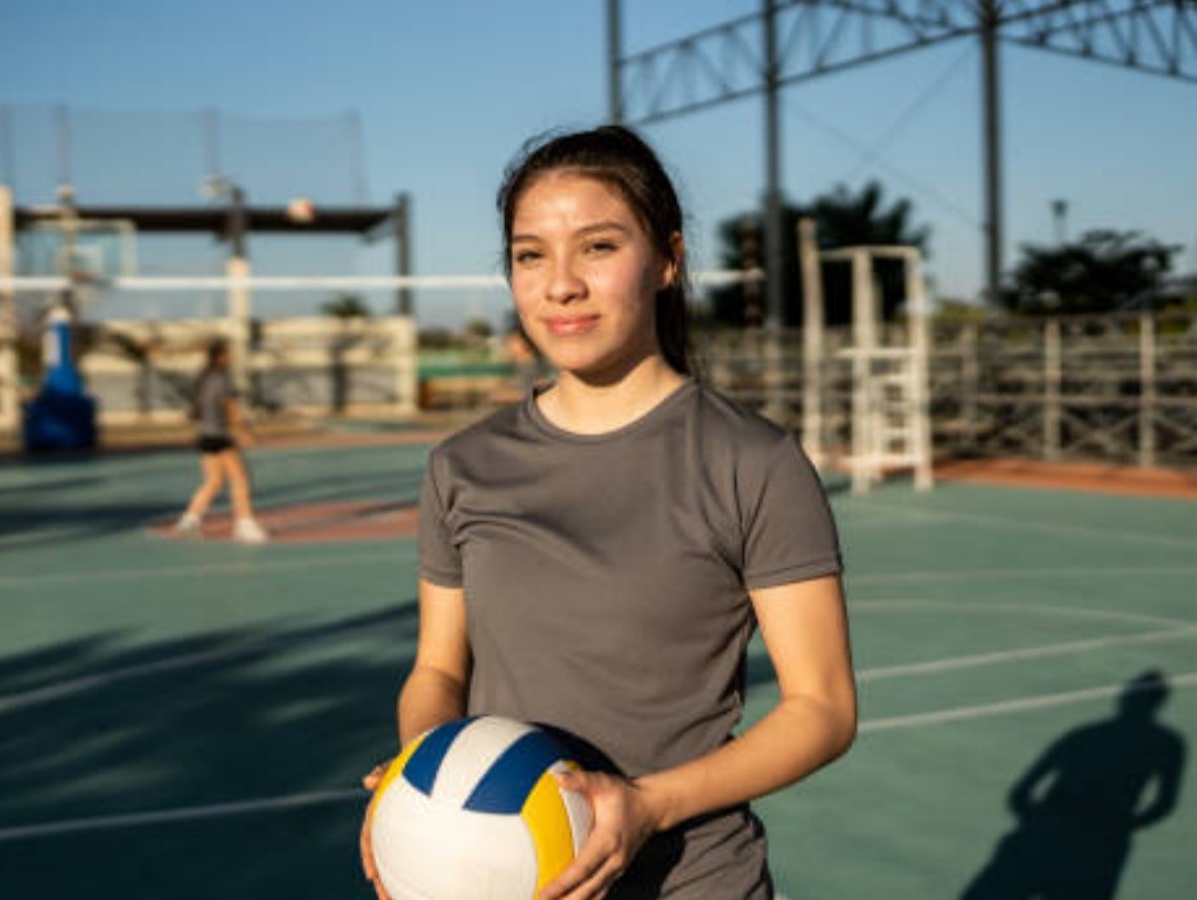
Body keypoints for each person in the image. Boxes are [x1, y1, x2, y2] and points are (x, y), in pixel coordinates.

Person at [360, 126, 856, 899]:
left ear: (666, 258)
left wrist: (648, 805)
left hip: (693, 882)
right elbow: (437, 668)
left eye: (596, 246)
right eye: (530, 255)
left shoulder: (752, 462)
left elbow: (822, 709)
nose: (560, 284)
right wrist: (425, 793)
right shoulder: (461, 466)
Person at [175, 339, 269, 543]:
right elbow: (229, 408)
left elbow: (196, 410)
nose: (231, 358)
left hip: (205, 435)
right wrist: (246, 432)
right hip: (219, 435)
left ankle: (189, 520)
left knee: (214, 481)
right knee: (240, 478)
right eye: (228, 354)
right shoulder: (222, 379)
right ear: (220, 357)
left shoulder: (204, 379)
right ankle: (245, 524)